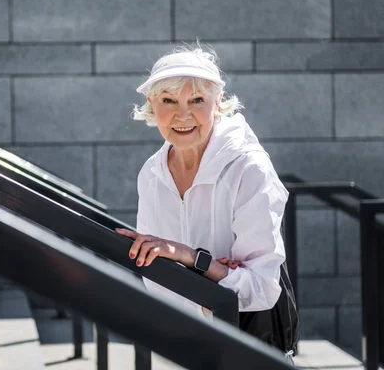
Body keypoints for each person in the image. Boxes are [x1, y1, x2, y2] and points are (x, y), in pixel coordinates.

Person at [115, 44, 294, 363]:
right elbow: (156, 279)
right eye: (169, 101)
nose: (182, 115)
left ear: (218, 104)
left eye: (196, 100)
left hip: (243, 353)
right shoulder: (152, 174)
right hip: (177, 350)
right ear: (152, 106)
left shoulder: (248, 169)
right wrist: (215, 269)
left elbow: (261, 288)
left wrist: (190, 257)